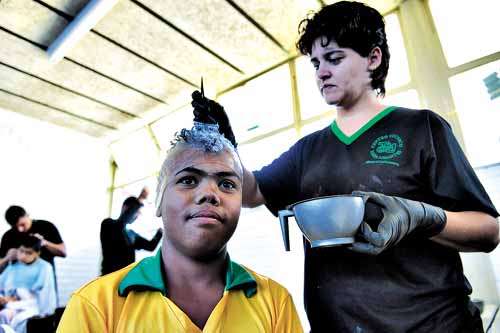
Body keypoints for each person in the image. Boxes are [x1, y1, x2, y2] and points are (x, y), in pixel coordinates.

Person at [190, 1, 500, 332]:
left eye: (334, 58)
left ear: (373, 58)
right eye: (315, 63)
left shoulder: (421, 128)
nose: (322, 71)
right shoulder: (308, 150)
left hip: (432, 325)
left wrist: (422, 217)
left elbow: (488, 230)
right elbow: (251, 192)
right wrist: (223, 145)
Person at [57, 123, 303, 332]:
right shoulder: (95, 306)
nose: (209, 193)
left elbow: (152, 242)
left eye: (227, 184)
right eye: (188, 180)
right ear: (159, 204)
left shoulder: (275, 303)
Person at [0, 235, 57, 333]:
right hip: (13, 304)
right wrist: (4, 298)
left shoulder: (45, 267)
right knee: (3, 315)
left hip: (34, 306)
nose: (23, 256)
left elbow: (46, 294)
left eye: (28, 253)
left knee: (20, 321)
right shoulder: (13, 266)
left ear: (37, 253)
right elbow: (2, 286)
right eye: (21, 251)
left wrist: (45, 314)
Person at [100, 188, 163, 275]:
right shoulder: (108, 225)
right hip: (109, 280)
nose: (137, 216)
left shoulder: (131, 234)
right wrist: (139, 200)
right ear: (126, 208)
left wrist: (161, 231)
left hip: (124, 282)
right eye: (136, 212)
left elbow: (150, 246)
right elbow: (120, 223)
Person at [0, 206, 66, 273]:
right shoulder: (8, 236)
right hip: (18, 279)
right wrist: (7, 258)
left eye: (22, 225)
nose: (20, 229)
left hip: (45, 277)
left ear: (27, 215)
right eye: (15, 227)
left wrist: (45, 243)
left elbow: (63, 253)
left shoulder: (46, 226)